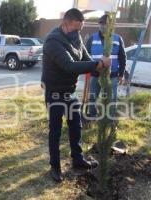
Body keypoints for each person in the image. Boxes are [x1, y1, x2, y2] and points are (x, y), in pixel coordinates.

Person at [41, 8, 111, 183]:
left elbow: (85, 59)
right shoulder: (52, 41)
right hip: (55, 93)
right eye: (75, 29)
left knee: (76, 127)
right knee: (55, 132)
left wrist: (98, 68)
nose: (77, 33)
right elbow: (69, 66)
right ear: (65, 22)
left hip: (69, 92)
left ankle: (78, 160)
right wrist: (97, 64)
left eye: (80, 29)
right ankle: (55, 167)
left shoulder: (76, 37)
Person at [86, 14, 126, 118]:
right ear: (99, 24)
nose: (104, 26)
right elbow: (86, 56)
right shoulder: (92, 39)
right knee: (92, 97)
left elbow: (122, 57)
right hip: (95, 74)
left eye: (106, 24)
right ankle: (92, 116)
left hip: (112, 75)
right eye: (102, 23)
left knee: (112, 98)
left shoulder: (117, 39)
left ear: (111, 26)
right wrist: (88, 69)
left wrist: (121, 74)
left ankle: (110, 119)